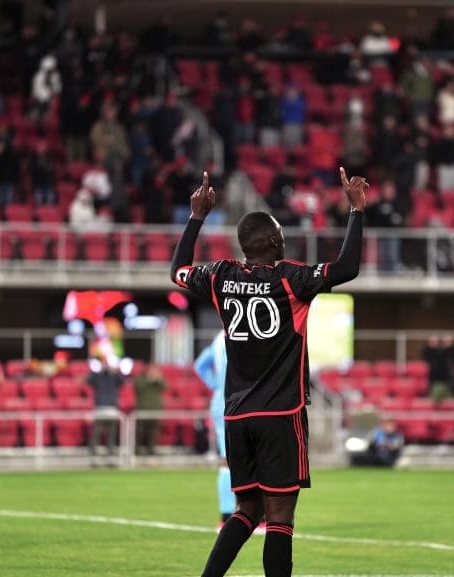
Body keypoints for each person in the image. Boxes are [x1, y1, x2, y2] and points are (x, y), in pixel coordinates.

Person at [172, 167, 366, 577]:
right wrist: (357, 211)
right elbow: (347, 267)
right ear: (276, 241)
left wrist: (196, 217)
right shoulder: (291, 278)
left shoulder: (220, 276)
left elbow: (177, 271)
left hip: (237, 416)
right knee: (280, 517)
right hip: (281, 413)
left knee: (247, 509)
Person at [194, 333, 235, 527]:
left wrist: (216, 386)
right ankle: (251, 517)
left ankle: (226, 516)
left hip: (221, 402)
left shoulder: (219, 337)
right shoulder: (242, 331)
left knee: (228, 459)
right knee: (247, 459)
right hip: (239, 401)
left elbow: (200, 365)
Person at [87, 358, 124, 457]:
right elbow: (89, 380)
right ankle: (93, 451)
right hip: (100, 407)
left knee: (112, 432)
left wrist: (115, 372)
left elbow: (122, 381)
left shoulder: (114, 376)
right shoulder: (98, 376)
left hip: (112, 407)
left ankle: (111, 451)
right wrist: (99, 372)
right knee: (97, 431)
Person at [133, 364, 166, 455]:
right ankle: (136, 449)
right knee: (140, 431)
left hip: (155, 408)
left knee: (153, 431)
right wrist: (149, 380)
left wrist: (157, 379)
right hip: (143, 408)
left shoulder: (158, 380)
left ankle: (151, 449)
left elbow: (165, 387)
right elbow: (138, 387)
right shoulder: (139, 379)